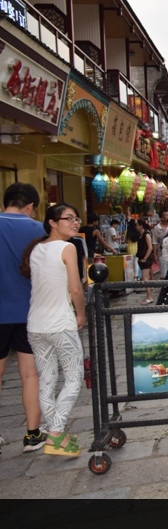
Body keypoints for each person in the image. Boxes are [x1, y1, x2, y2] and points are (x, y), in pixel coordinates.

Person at [20, 203, 86, 456]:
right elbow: (76, 289)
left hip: (35, 325)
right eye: (68, 218)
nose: (75, 222)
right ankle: (56, 433)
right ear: (52, 222)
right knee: (73, 377)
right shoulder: (68, 248)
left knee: (47, 379)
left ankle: (55, 434)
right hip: (60, 324)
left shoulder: (36, 249)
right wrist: (80, 313)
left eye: (76, 218)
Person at [0, 183, 47, 455]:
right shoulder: (39, 230)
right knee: (30, 374)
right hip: (31, 313)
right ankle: (32, 435)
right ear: (29, 205)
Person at [132, 219, 155, 304]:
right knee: (144, 278)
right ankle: (148, 296)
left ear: (141, 225)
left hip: (146, 259)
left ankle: (149, 297)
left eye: (137, 225)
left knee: (145, 278)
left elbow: (150, 247)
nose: (136, 227)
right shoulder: (140, 235)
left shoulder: (146, 234)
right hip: (142, 258)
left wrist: (145, 257)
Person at [151, 211, 168, 279]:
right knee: (163, 273)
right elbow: (154, 242)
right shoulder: (157, 228)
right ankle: (164, 287)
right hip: (161, 253)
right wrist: (155, 254)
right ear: (162, 218)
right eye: (166, 215)